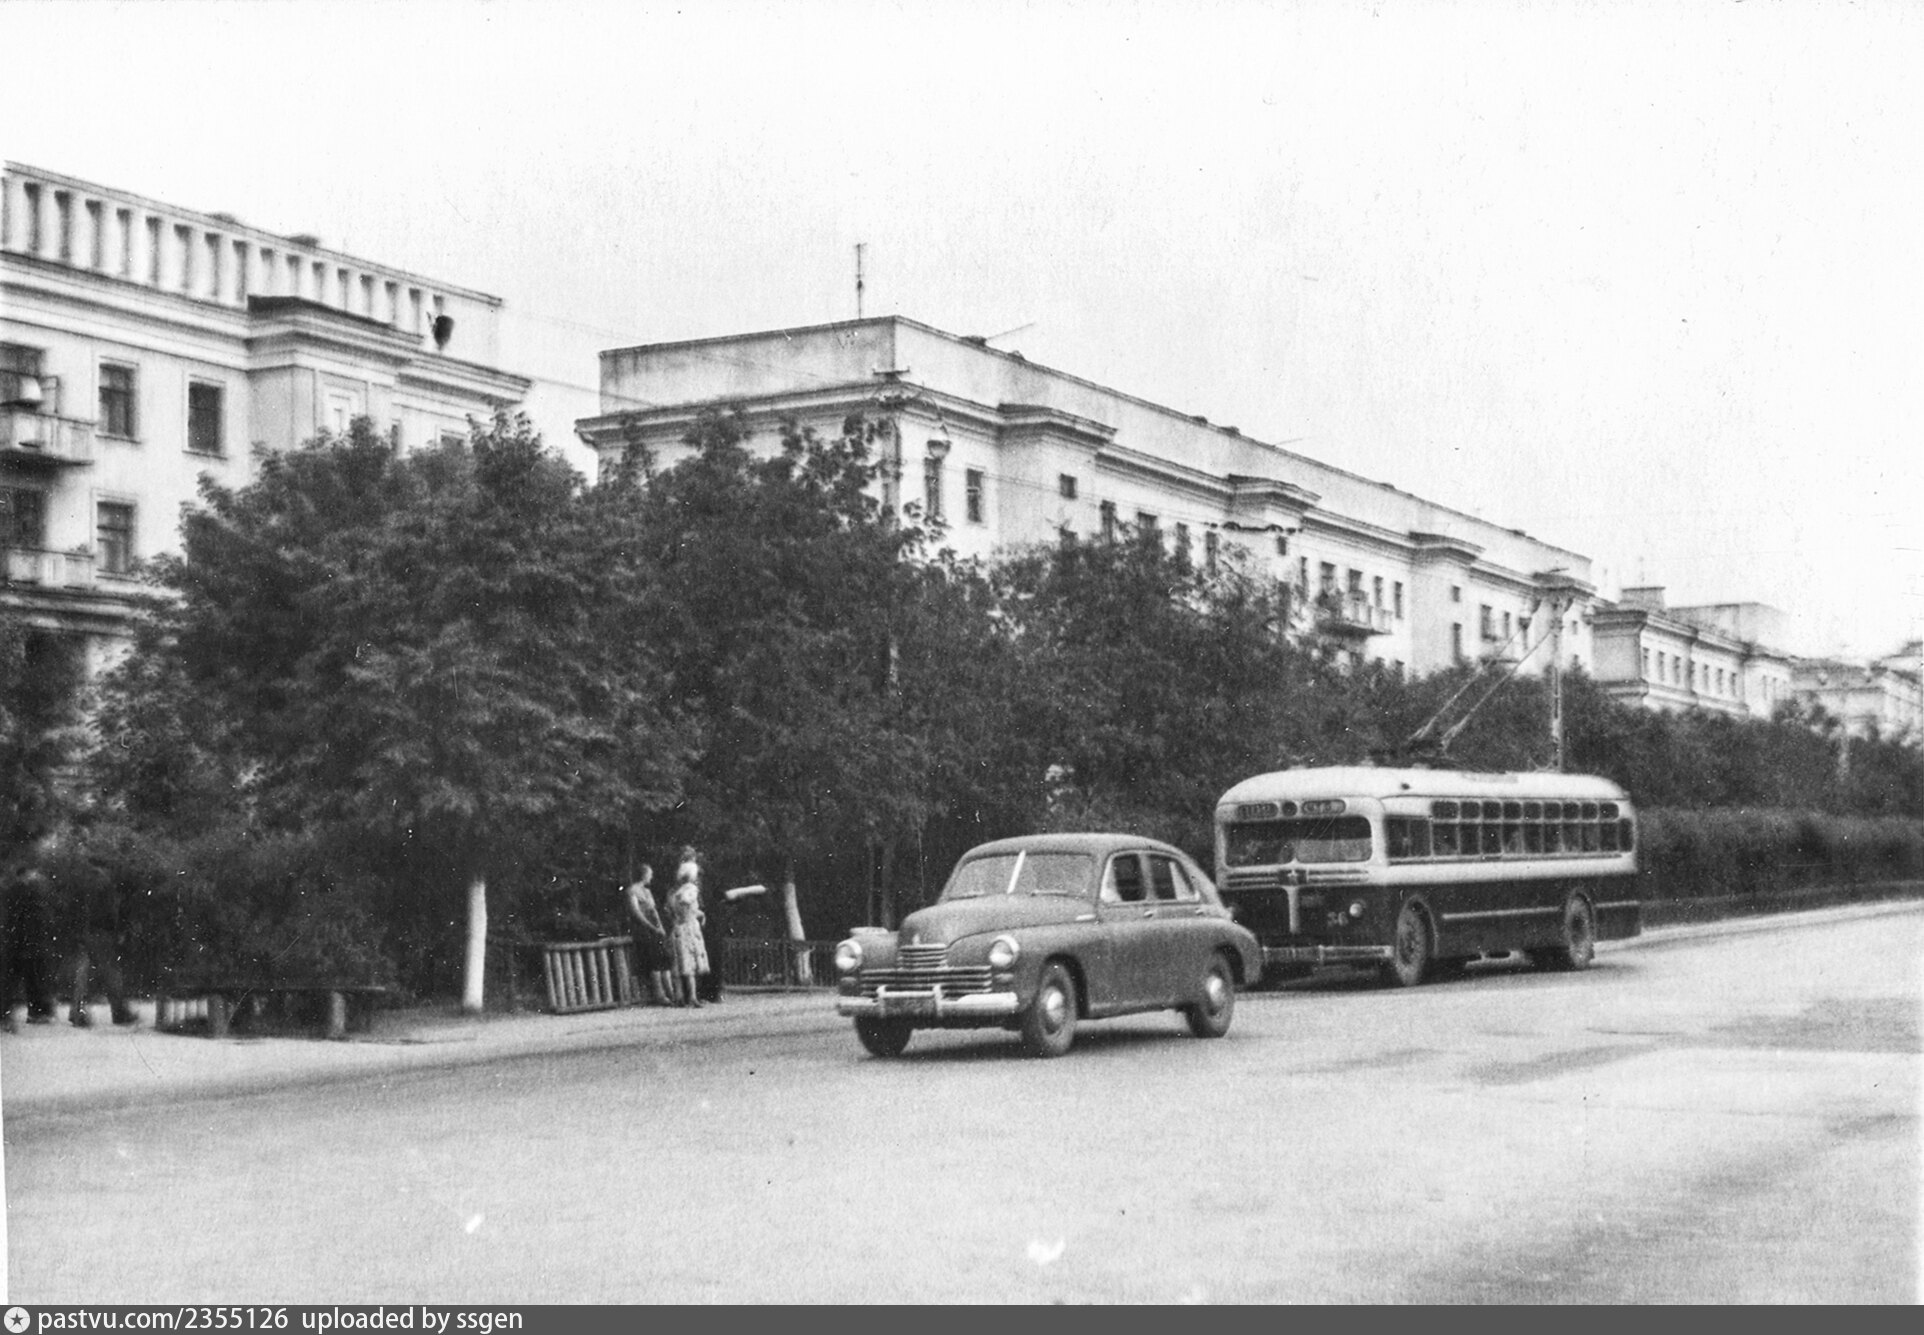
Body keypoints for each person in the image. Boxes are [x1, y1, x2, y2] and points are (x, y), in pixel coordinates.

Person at [620, 866, 678, 1006]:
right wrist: (651, 927)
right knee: (654, 960)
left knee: (664, 957)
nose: (651, 877)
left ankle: (672, 993)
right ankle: (660, 994)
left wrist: (660, 927)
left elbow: (654, 911)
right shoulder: (632, 891)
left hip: (654, 929)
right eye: (650, 874)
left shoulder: (647, 891)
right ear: (644, 875)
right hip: (643, 929)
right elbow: (636, 912)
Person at [666, 848, 710, 1008]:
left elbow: (670, 910)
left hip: (677, 927)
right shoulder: (690, 889)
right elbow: (687, 904)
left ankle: (679, 996)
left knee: (678, 962)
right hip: (689, 927)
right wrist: (695, 915)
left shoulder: (673, 892)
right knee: (690, 960)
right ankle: (692, 996)